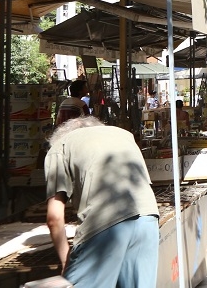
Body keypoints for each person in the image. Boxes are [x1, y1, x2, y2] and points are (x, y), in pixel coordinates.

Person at [44, 116, 160, 286]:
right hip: (148, 218)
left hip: (104, 224)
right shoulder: (123, 135)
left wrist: (66, 261)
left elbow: (54, 218)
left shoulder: (59, 147)